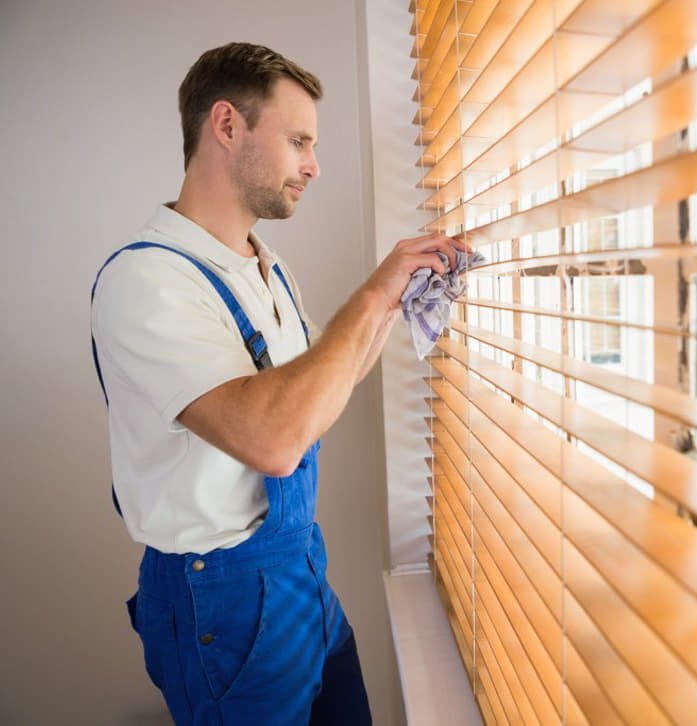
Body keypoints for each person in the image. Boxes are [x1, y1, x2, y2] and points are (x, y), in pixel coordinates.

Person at [90, 42, 469, 725]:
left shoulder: (268, 267)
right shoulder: (147, 281)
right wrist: (374, 295)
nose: (314, 166)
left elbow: (320, 384)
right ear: (227, 125)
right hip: (221, 599)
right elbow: (273, 438)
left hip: (300, 572)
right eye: (298, 141)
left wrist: (394, 299)